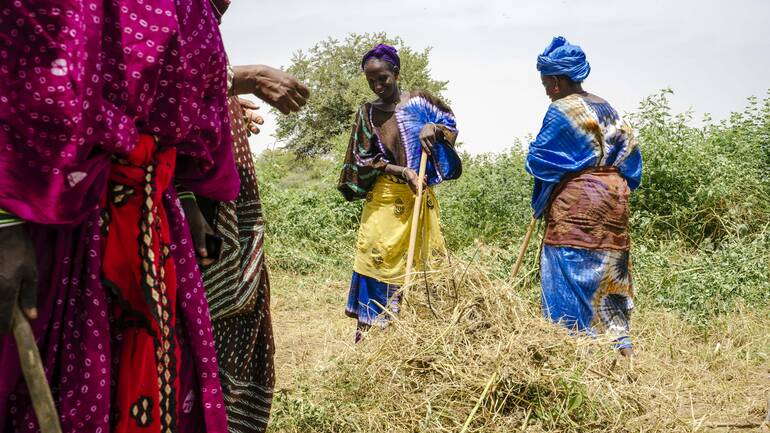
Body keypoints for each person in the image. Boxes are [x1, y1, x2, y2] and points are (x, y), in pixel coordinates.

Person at [0, 1, 241, 432]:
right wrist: (6, 220)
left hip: (153, 230)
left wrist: (182, 194)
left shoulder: (193, 9)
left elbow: (191, 113)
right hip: (51, 220)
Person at [179, 2, 310, 432]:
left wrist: (229, 105)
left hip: (229, 210)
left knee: (236, 320)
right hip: (198, 212)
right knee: (203, 333)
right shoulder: (167, 13)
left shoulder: (202, 21)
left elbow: (193, 87)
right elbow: (157, 87)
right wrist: (241, 77)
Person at [525, 36, 643, 356]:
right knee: (610, 277)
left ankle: (574, 354)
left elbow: (540, 161)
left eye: (547, 82)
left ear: (559, 80)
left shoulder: (561, 111)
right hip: (615, 202)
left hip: (577, 205)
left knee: (567, 276)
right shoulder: (609, 109)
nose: (546, 90)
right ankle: (623, 352)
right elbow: (633, 164)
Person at [338, 44, 462, 341]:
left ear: (396, 72)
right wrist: (402, 171)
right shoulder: (367, 114)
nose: (378, 86)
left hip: (419, 197)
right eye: (371, 81)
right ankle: (373, 337)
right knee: (375, 259)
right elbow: (364, 159)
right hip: (384, 201)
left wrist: (433, 128)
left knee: (423, 266)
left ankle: (418, 337)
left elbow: (451, 127)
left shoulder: (421, 102)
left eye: (384, 79)